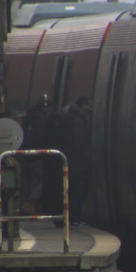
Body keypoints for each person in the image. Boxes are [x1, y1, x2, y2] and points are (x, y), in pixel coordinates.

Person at [60, 96, 93, 225]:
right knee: (77, 192)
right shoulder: (78, 122)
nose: (92, 108)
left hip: (74, 164)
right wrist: (87, 156)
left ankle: (73, 218)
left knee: (75, 192)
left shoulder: (74, 119)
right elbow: (78, 143)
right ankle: (74, 219)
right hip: (78, 165)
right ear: (83, 105)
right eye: (90, 105)